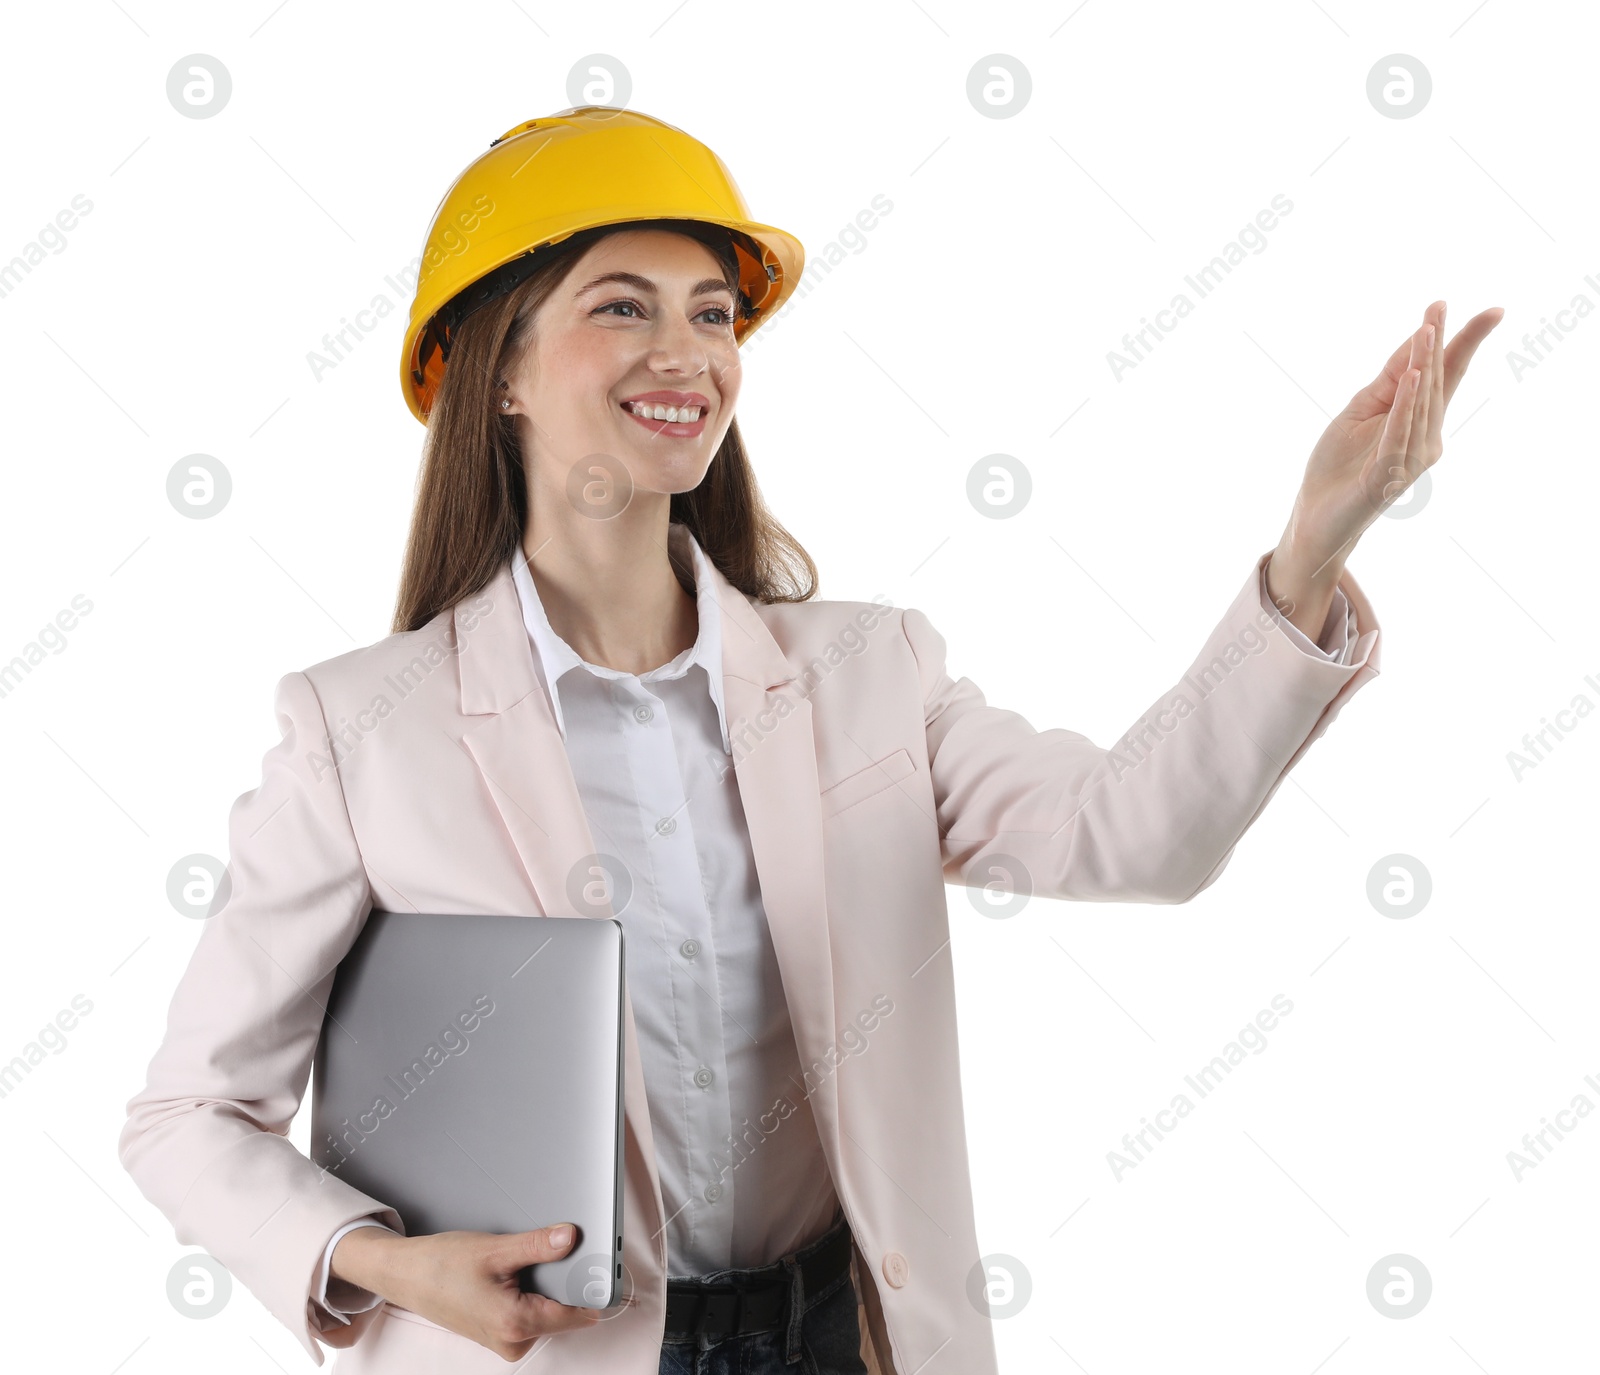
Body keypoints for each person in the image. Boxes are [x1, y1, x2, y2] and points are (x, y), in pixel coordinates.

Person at [118, 106, 1503, 1375]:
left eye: (714, 314)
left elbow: (1139, 835)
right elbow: (189, 1118)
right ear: (500, 372)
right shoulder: (361, 730)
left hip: (845, 1344)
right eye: (623, 307)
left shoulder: (865, 672)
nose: (690, 355)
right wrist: (382, 1260)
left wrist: (1311, 552)